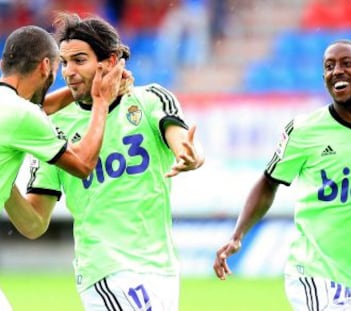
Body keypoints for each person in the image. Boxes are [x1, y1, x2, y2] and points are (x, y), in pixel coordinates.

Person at [5, 12, 204, 311]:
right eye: (65, 62)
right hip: (105, 270)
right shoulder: (51, 126)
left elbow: (185, 144)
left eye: (79, 60)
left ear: (109, 62)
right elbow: (34, 224)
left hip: (161, 269)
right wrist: (3, 181)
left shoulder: (150, 99)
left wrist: (192, 156)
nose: (69, 71)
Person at [213, 39, 351, 311]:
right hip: (312, 273)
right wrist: (237, 235)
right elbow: (269, 181)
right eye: (329, 67)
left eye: (347, 63)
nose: (337, 71)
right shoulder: (305, 130)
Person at [0, 24, 125, 310]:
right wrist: (101, 101)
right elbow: (82, 164)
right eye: (61, 66)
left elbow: (37, 112)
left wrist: (85, 86)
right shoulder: (21, 115)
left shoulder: (11, 111)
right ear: (46, 66)